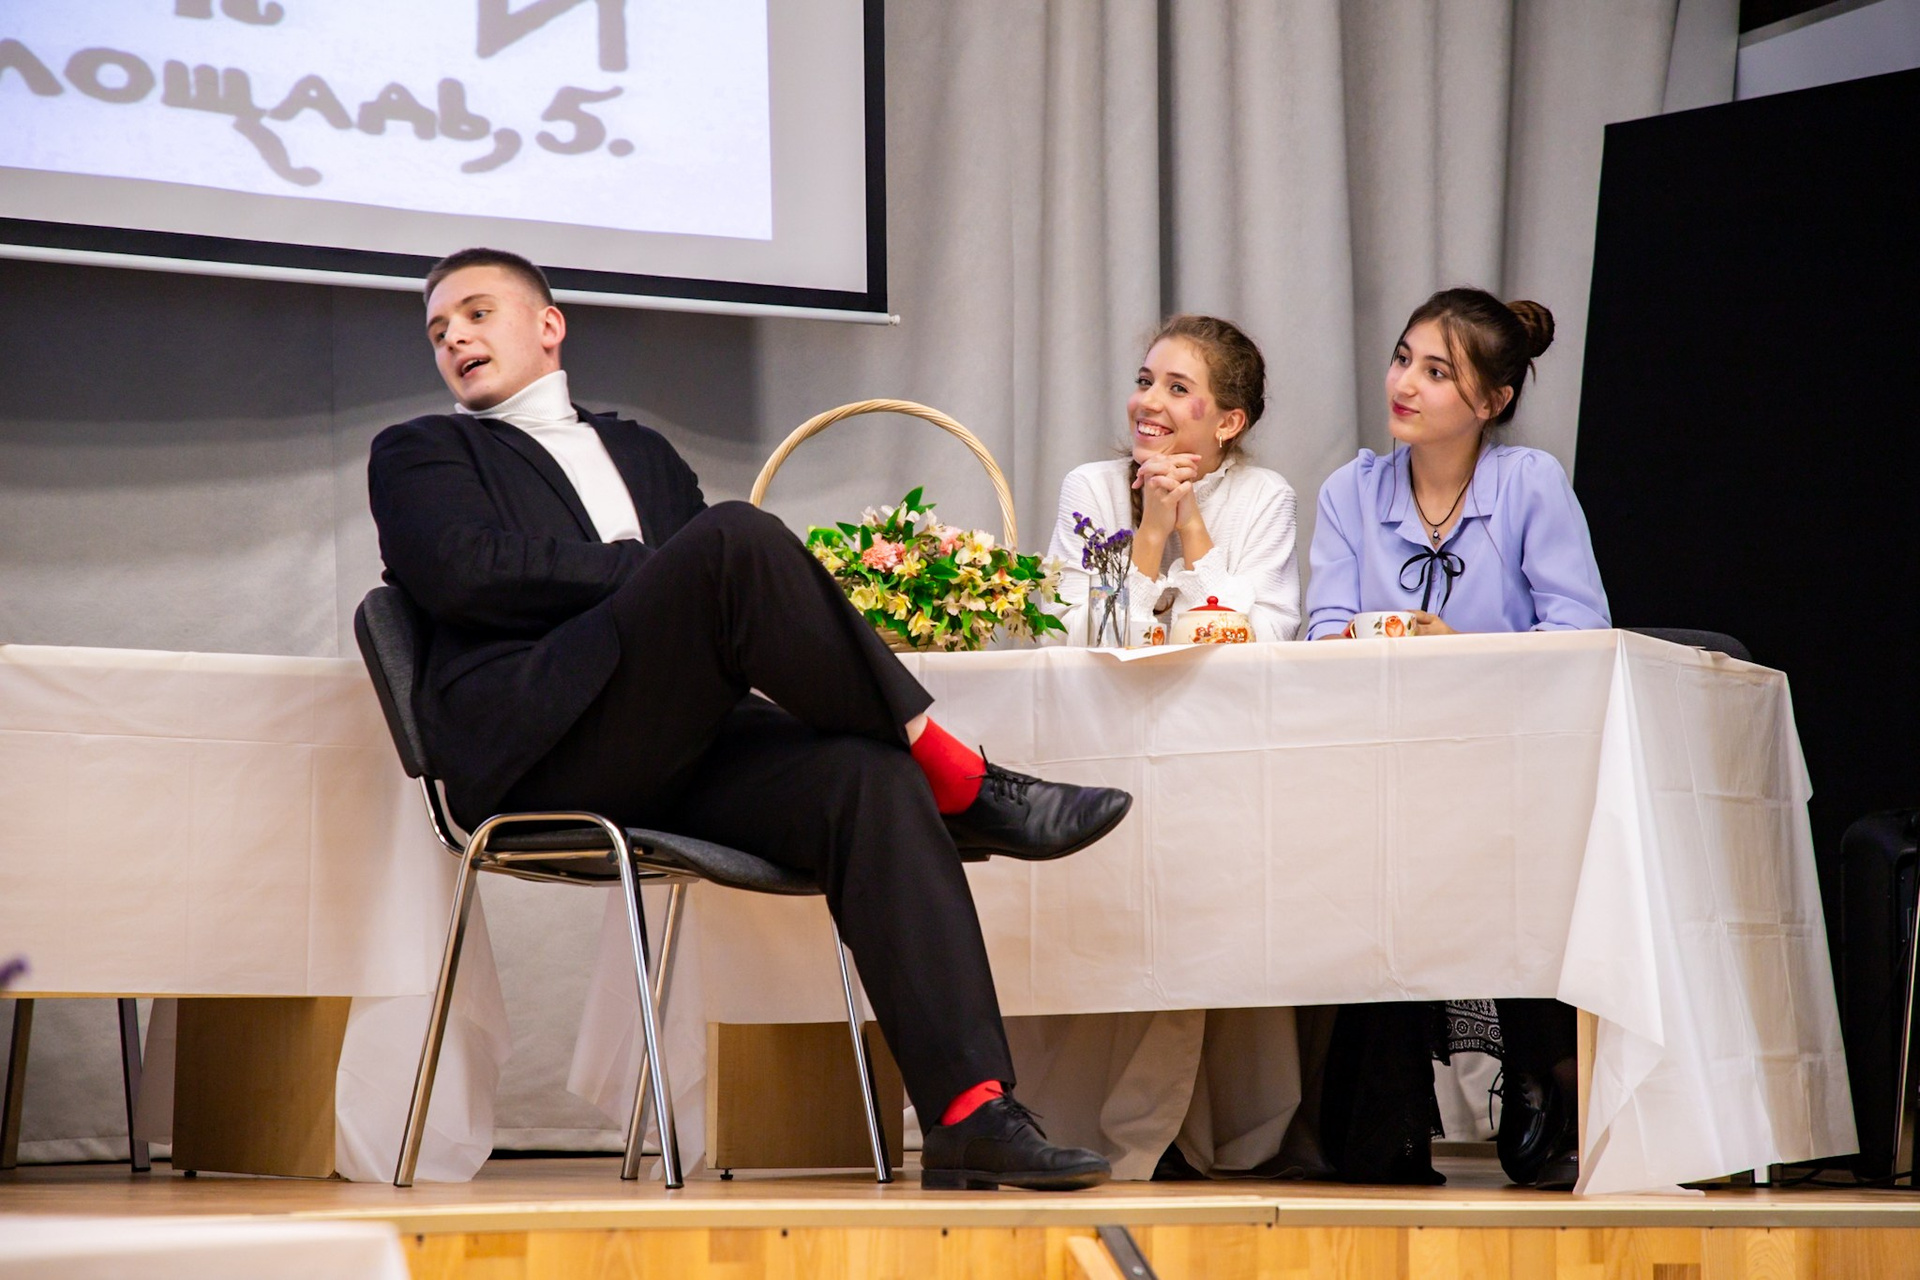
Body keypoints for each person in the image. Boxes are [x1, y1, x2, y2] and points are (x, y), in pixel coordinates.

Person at [367, 247, 1135, 1191]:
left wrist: (668, 579)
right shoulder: (421, 451)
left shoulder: (641, 451)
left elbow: (712, 617)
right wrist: (652, 570)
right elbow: (465, 574)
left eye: (477, 313)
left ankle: (969, 1112)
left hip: (680, 742)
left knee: (867, 775)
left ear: (548, 324)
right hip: (542, 748)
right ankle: (963, 778)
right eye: (439, 330)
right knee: (732, 537)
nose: (455, 338)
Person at [1305, 287, 1609, 1190]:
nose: (1405, 383)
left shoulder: (1528, 483)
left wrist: (1463, 650)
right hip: (1385, 763)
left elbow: (1581, 631)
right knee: (1380, 846)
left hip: (1511, 763)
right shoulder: (1350, 491)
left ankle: (1546, 1081)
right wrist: (1370, 642)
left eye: (1437, 372)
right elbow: (1320, 630)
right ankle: (1387, 1108)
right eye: (1403, 359)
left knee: (1496, 849)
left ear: (1492, 400)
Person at [1048, 315, 1300, 645]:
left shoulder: (1265, 496)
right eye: (1144, 381)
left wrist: (1191, 526)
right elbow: (1061, 639)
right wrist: (1151, 534)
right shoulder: (1091, 487)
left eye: (1178, 388)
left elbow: (1267, 643)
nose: (1147, 401)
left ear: (1228, 423)